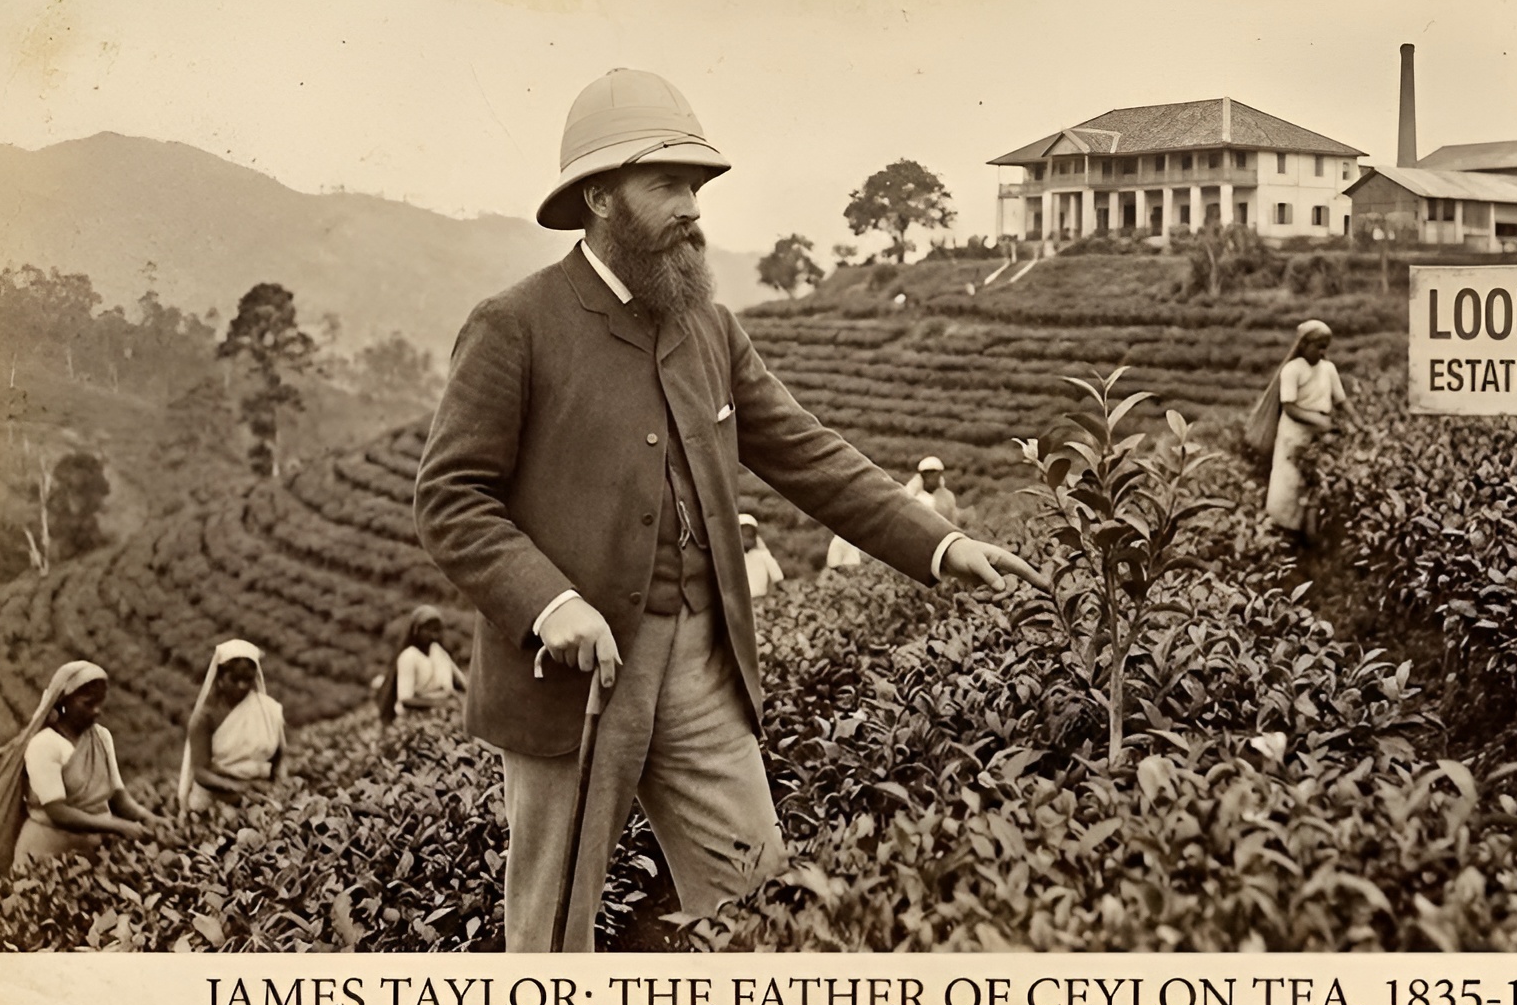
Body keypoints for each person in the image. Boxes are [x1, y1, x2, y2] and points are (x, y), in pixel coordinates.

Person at [415, 67, 1045, 953]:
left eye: (698, 186)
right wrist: (550, 604)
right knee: (554, 933)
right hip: (575, 680)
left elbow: (809, 452)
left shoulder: (709, 325)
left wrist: (943, 546)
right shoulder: (516, 324)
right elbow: (450, 499)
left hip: (702, 659)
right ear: (599, 196)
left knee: (757, 895)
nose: (692, 208)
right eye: (666, 183)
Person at [14, 661, 163, 865]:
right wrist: (117, 826)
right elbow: (57, 811)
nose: (97, 711)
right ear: (63, 702)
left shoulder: (101, 737)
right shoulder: (44, 744)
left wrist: (145, 816)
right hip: (47, 853)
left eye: (100, 703)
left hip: (94, 850)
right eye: (88, 703)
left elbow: (117, 796)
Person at [177, 640, 287, 815]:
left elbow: (278, 758)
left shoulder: (269, 710)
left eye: (248, 679)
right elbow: (200, 771)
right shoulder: (205, 717)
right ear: (220, 677)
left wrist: (273, 788)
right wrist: (241, 788)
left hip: (260, 803)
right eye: (235, 679)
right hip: (213, 805)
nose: (242, 686)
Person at [1264, 318, 1348, 540]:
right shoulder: (1292, 370)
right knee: (1289, 482)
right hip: (1294, 433)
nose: (1321, 352)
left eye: (1325, 348)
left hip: (1318, 435)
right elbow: (1290, 407)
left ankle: (1309, 534)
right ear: (1303, 345)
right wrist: (1319, 421)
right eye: (1317, 346)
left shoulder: (1328, 369)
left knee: (1316, 482)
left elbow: (1341, 400)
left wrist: (1357, 421)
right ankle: (1284, 529)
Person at [388, 605, 466, 718]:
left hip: (445, 712)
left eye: (437, 630)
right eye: (428, 630)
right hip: (417, 717)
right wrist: (441, 704)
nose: (433, 635)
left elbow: (460, 683)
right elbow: (405, 700)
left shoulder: (438, 652)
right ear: (416, 630)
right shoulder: (409, 656)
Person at [903, 456, 960, 524]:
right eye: (926, 472)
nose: (930, 475)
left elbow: (952, 521)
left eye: (933, 472)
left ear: (940, 474)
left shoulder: (948, 497)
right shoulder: (913, 497)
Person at [739, 514, 784, 601]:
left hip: (760, 598)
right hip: (740, 600)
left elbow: (777, 575)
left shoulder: (763, 554)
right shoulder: (732, 557)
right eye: (743, 534)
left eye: (750, 535)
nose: (746, 539)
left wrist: (781, 588)